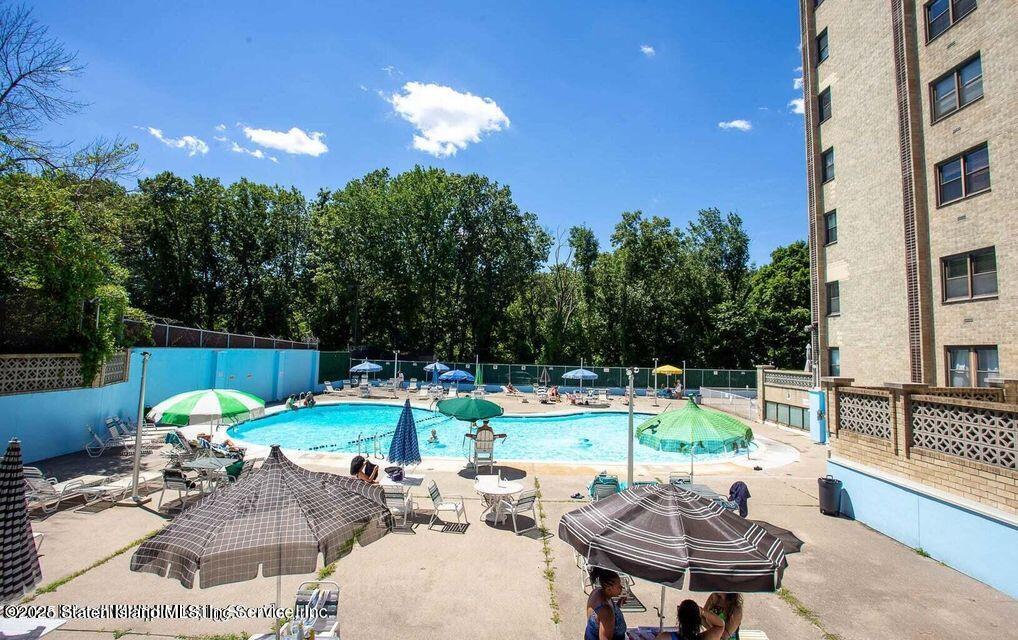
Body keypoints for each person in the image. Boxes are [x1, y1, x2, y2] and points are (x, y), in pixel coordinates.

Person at [584, 567, 627, 640]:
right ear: (609, 589)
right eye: (619, 585)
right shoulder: (606, 611)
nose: (621, 587)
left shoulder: (597, 592)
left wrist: (619, 604)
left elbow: (601, 619)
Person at [655, 599, 726, 640]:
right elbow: (720, 625)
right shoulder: (707, 637)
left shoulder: (665, 637)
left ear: (679, 618)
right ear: (698, 620)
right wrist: (701, 611)